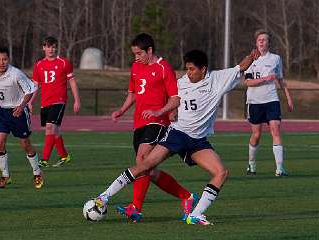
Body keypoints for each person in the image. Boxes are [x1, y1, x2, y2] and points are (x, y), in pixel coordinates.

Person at [94, 49, 259, 225]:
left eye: (191, 69)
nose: (188, 73)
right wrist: (170, 110)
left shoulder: (217, 79)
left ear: (203, 69)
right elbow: (173, 99)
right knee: (145, 165)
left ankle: (195, 215)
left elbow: (240, 67)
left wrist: (252, 56)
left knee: (221, 172)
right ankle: (104, 197)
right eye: (186, 69)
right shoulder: (181, 83)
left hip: (198, 141)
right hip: (177, 134)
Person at [111, 33, 197, 222]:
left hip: (158, 123)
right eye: (134, 54)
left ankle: (135, 208)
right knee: (147, 170)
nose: (136, 57)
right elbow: (133, 93)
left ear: (149, 51)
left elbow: (175, 98)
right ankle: (186, 196)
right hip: (139, 123)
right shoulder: (135, 67)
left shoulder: (164, 68)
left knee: (142, 159)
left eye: (139, 53)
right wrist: (121, 110)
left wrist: (160, 112)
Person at [0, 46, 43, 189]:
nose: (2, 62)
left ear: (8, 60)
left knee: (25, 144)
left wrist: (22, 106)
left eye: (4, 59)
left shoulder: (16, 74)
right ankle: (5, 176)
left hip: (18, 112)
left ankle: (37, 172)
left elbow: (29, 90)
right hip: (2, 112)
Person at [244, 29, 293, 177]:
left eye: (264, 39)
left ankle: (280, 168)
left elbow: (280, 79)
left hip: (272, 100)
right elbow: (248, 82)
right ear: (256, 42)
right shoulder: (250, 59)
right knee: (256, 134)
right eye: (259, 39)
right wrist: (265, 79)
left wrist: (288, 98)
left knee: (275, 130)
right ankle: (251, 164)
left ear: (268, 43)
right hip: (254, 102)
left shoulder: (276, 59)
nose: (261, 41)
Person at [30, 36, 81, 168]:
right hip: (45, 102)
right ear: (43, 48)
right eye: (48, 46)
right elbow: (35, 85)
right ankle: (64, 156)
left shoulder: (64, 62)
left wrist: (77, 100)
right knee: (54, 131)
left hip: (59, 100)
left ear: (56, 47)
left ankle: (44, 160)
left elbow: (72, 81)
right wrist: (30, 101)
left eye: (53, 46)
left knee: (50, 128)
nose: (51, 49)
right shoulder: (39, 65)